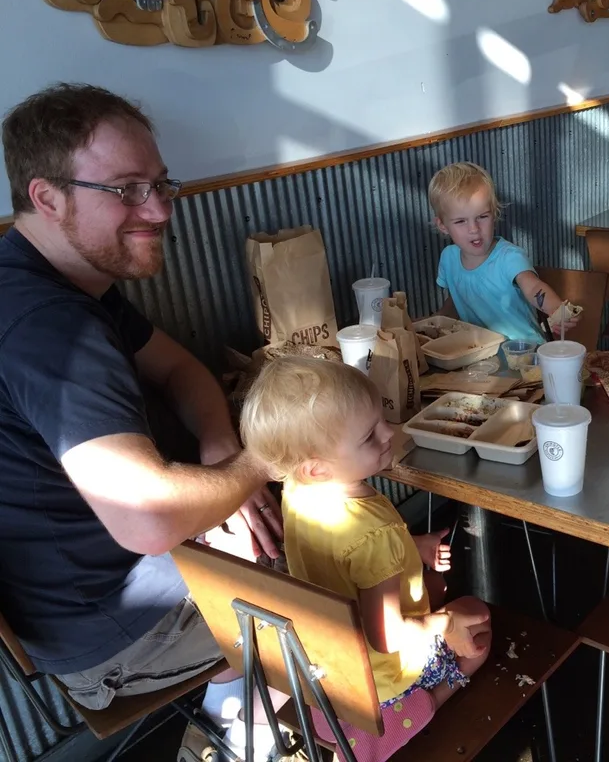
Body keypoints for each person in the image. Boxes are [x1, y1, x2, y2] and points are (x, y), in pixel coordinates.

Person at [0, 83, 290, 759]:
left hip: (93, 589)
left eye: (161, 183)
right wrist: (258, 464)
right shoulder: (51, 328)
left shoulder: (51, 276)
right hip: (112, 633)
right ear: (47, 198)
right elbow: (147, 520)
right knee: (344, 586)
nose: (158, 210)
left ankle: (237, 712)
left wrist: (221, 444)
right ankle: (249, 730)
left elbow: (180, 369)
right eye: (127, 189)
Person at [240, 356, 492, 759]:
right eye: (368, 437)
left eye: (380, 422)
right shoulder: (378, 538)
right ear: (318, 467)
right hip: (382, 682)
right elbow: (387, 636)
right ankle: (422, 705)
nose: (388, 433)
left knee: (435, 585)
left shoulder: (299, 491)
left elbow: (349, 552)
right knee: (475, 616)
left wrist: (412, 547)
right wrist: (445, 624)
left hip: (331, 670)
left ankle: (365, 717)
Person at [429, 162, 579, 344]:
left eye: (482, 217)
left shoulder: (509, 257)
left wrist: (556, 309)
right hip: (477, 355)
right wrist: (436, 320)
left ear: (494, 214)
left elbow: (533, 288)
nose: (474, 229)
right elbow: (457, 296)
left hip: (527, 352)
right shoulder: (448, 258)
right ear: (443, 225)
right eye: (461, 221)